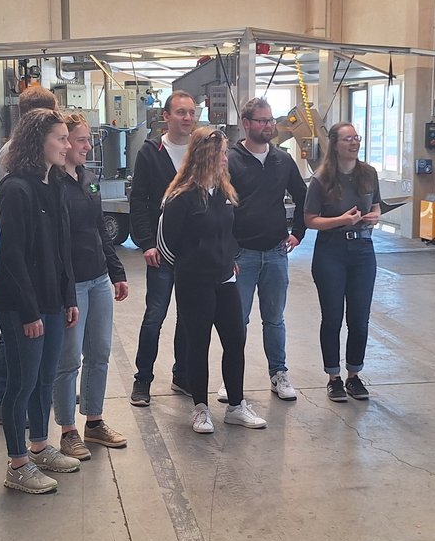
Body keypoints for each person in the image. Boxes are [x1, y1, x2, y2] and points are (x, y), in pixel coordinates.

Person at [0, 108, 82, 492]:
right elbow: (12, 256)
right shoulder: (16, 189)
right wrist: (29, 312)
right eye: (60, 138)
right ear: (38, 141)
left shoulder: (55, 184)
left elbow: (62, 249)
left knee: (45, 378)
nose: (67, 145)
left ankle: (40, 447)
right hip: (21, 305)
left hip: (52, 300)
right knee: (22, 382)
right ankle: (17, 464)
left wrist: (68, 296)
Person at [158, 126, 267, 434]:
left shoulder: (223, 194)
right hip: (195, 283)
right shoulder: (181, 197)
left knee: (235, 339)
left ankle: (236, 406)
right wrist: (191, 269)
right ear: (205, 155)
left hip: (225, 280)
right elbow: (166, 244)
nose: (225, 158)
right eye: (220, 153)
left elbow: (228, 234)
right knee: (198, 343)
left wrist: (229, 259)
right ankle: (200, 409)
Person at [52, 113, 129, 457]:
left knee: (99, 353)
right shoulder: (52, 183)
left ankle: (94, 422)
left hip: (98, 280)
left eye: (87, 140)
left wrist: (116, 272)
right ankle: (67, 430)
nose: (87, 146)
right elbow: (56, 245)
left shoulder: (88, 178)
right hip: (73, 285)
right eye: (81, 140)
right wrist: (67, 291)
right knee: (69, 359)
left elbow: (100, 230)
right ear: (64, 142)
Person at [0, 83, 61, 426]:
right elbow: (13, 251)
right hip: (23, 278)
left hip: (41, 276)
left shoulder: (47, 175)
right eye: (60, 137)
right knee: (18, 354)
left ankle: (30, 420)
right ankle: (3, 402)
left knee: (35, 367)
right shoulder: (16, 169)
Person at [228, 97, 307, 401]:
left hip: (276, 253)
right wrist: (227, 250)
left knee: (274, 319)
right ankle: (233, 378)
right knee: (237, 321)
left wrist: (298, 232)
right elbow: (219, 206)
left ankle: (279, 374)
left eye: (271, 120)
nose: (269, 126)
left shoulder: (282, 160)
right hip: (241, 256)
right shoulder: (231, 160)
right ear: (246, 123)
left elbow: (303, 196)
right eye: (262, 121)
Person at [304, 122, 381, 403]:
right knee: (333, 317)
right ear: (335, 144)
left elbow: (376, 205)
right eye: (348, 139)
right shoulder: (321, 179)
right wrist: (341, 220)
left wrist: (374, 216)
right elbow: (310, 220)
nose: (354, 143)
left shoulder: (368, 174)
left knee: (359, 318)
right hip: (331, 252)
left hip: (363, 251)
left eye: (356, 138)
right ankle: (333, 378)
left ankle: (354, 374)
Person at [129, 91, 196, 406]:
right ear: (166, 117)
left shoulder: (200, 151)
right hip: (161, 252)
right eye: (181, 112)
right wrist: (146, 243)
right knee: (154, 316)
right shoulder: (151, 152)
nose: (187, 118)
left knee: (188, 317)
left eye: (191, 112)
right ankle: (142, 380)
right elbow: (138, 200)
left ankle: (182, 375)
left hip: (193, 253)